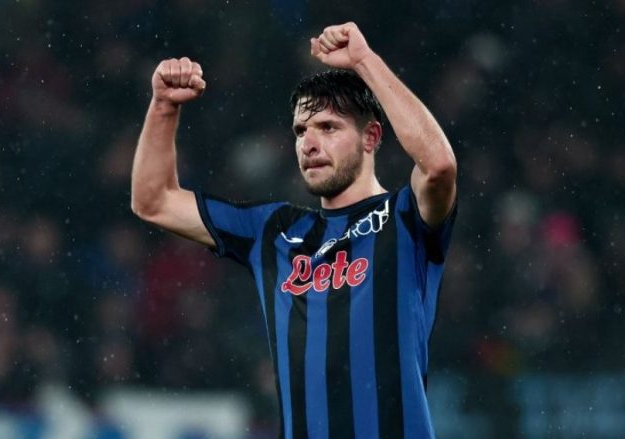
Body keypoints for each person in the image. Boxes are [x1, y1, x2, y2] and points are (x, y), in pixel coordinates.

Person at [131, 22, 457, 439]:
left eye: (328, 127)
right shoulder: (274, 230)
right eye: (301, 130)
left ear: (371, 136)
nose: (309, 143)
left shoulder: (404, 217)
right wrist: (163, 108)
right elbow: (153, 200)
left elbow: (438, 165)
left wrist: (364, 61)